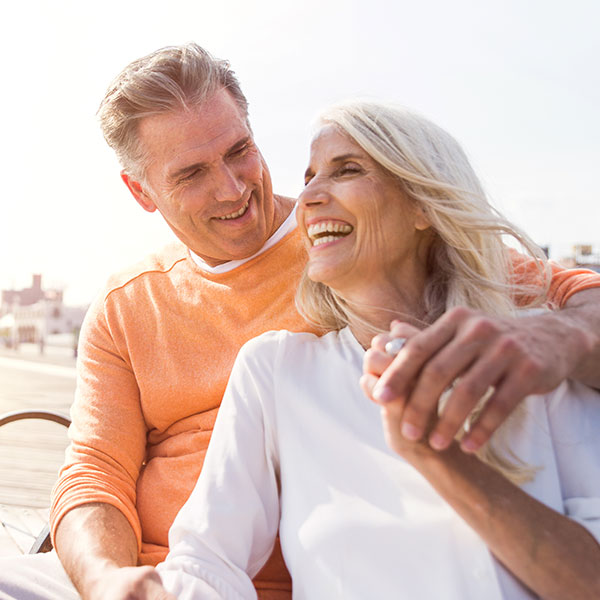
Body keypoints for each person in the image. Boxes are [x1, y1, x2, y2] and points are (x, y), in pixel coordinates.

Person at [0, 43, 599, 600]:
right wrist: (109, 580)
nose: (233, 189)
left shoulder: (357, 241)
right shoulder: (132, 304)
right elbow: (94, 471)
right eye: (191, 174)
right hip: (171, 577)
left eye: (240, 152)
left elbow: (534, 286)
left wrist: (565, 334)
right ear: (142, 191)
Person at [157, 100, 600, 599]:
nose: (308, 198)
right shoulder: (277, 371)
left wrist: (446, 464)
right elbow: (204, 563)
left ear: (423, 205)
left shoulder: (534, 357)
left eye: (346, 170)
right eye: (308, 179)